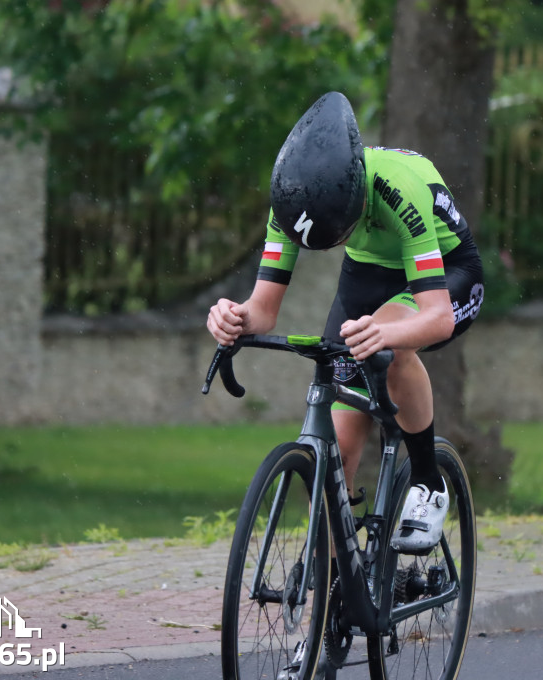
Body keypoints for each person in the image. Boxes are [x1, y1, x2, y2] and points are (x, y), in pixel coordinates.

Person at [206, 91, 484, 553]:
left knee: (388, 348)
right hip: (369, 274)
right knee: (338, 445)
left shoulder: (400, 189)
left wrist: (388, 334)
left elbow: (434, 318)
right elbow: (263, 310)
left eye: (342, 233)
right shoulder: (293, 200)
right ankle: (340, 584)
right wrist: (232, 318)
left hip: (445, 271)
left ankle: (428, 483)